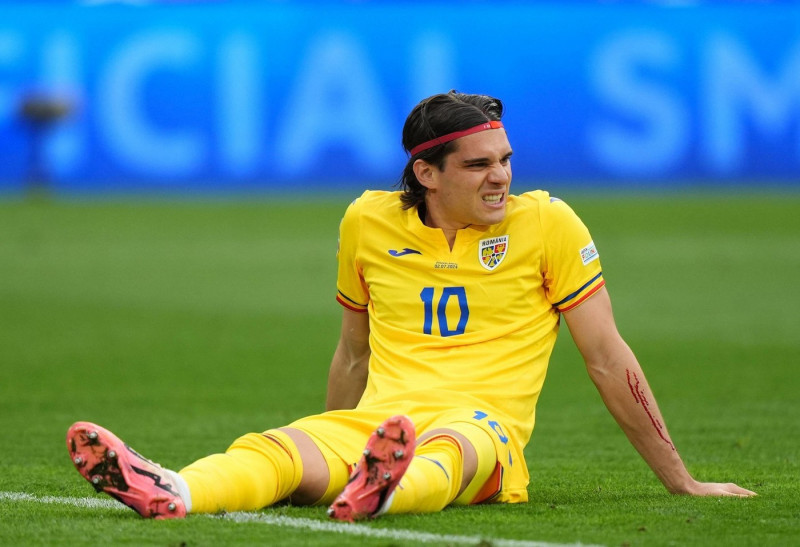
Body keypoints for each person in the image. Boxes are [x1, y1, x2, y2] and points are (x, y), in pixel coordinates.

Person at [66, 91, 755, 522]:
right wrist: (336, 437)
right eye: (480, 164)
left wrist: (681, 480)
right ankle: (175, 490)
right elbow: (353, 351)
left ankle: (385, 489)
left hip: (486, 428)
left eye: (506, 159)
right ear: (427, 173)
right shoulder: (367, 221)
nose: (502, 177)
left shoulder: (547, 224)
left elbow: (607, 357)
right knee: (279, 451)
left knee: (452, 454)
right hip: (379, 421)